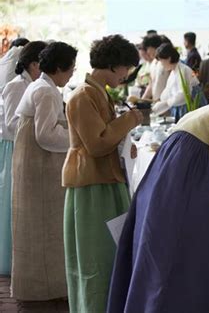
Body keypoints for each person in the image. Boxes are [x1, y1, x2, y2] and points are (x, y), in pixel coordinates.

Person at [107, 84, 209, 313]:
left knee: (158, 260)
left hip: (160, 192)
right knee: (188, 265)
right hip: (185, 197)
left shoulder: (203, 111)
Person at [62, 34, 143, 313]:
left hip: (106, 179)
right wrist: (129, 120)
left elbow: (105, 139)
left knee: (109, 256)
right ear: (114, 63)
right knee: (95, 259)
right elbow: (96, 144)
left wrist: (124, 146)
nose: (127, 74)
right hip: (92, 184)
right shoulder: (83, 95)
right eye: (127, 68)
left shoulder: (97, 92)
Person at [11, 41, 77, 300]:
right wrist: (77, 136)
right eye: (71, 69)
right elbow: (46, 136)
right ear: (59, 68)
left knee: (37, 225)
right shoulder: (46, 91)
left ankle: (40, 286)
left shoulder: (42, 86)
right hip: (40, 163)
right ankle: (45, 288)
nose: (72, 73)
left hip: (35, 161)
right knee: (44, 225)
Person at [0, 41, 47, 276]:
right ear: (33, 64)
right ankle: (9, 260)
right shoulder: (15, 86)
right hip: (13, 147)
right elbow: (10, 125)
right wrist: (38, 124)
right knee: (12, 202)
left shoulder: (34, 84)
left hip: (26, 145)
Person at [151, 43, 199, 122]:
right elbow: (168, 91)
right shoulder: (174, 71)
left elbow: (183, 94)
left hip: (189, 107)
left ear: (169, 58)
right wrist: (161, 102)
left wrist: (167, 103)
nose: (161, 64)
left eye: (161, 61)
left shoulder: (183, 70)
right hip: (180, 107)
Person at [140, 34, 170, 102]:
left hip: (168, 103)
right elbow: (151, 84)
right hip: (157, 104)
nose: (147, 52)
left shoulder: (166, 62)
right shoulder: (153, 64)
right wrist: (142, 100)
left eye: (148, 48)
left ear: (154, 47)